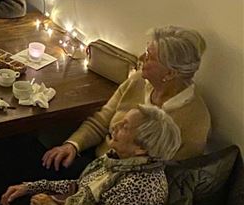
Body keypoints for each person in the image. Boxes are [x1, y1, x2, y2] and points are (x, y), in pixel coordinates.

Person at [0, 105, 181, 205]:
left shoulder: (135, 190)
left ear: (141, 148)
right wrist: (31, 187)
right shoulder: (121, 161)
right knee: (20, 179)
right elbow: (79, 186)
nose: (115, 125)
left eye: (125, 127)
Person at [42, 25, 210, 174]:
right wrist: (72, 145)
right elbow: (101, 121)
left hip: (120, 188)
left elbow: (170, 175)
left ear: (170, 73)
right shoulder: (137, 81)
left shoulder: (196, 119)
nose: (141, 59)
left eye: (150, 57)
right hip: (95, 164)